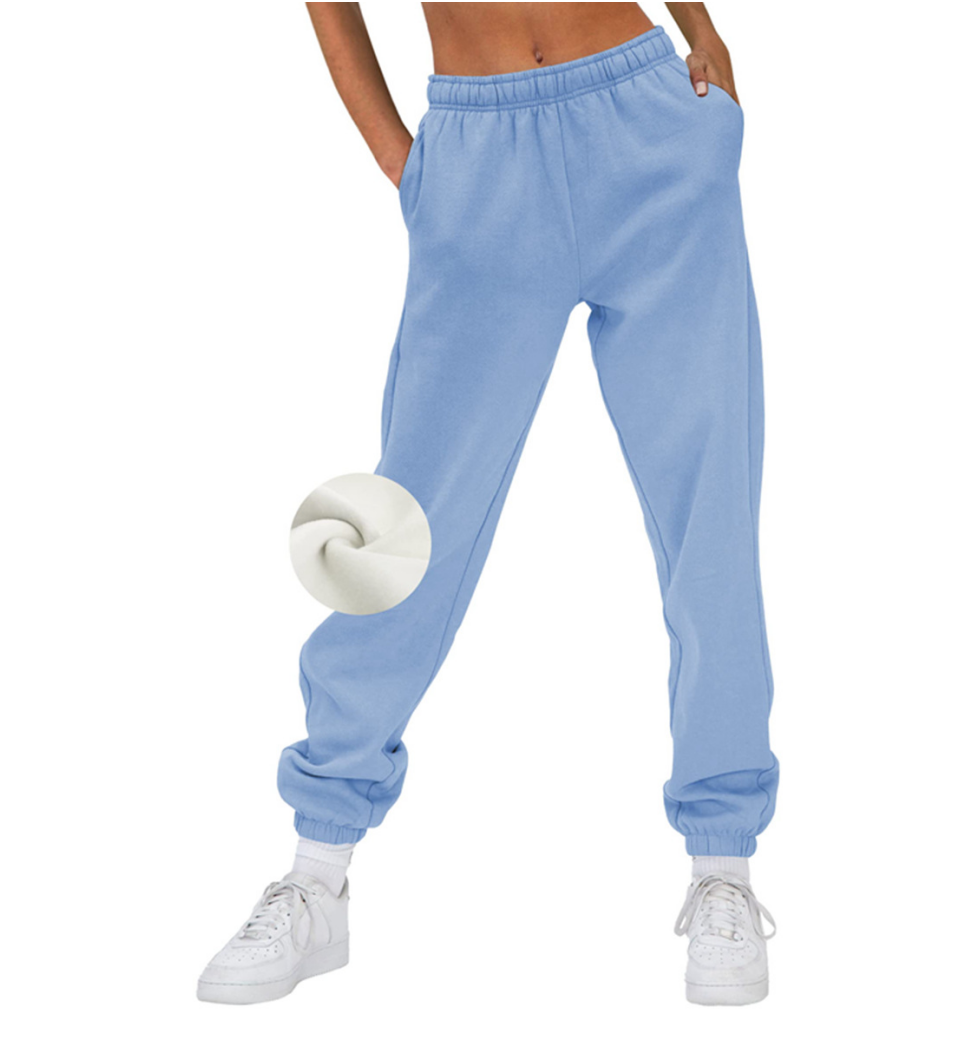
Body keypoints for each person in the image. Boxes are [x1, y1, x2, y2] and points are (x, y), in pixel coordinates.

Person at [198, 2, 778, 1007]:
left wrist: (701, 28)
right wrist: (402, 160)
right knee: (399, 530)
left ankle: (722, 865)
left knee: (708, 520)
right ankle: (316, 871)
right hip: (476, 157)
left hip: (647, 124)